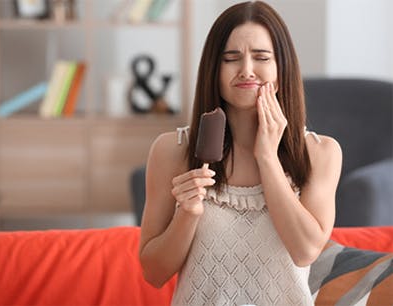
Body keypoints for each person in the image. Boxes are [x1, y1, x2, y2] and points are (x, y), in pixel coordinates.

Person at [139, 1, 342, 305]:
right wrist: (188, 213)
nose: (247, 70)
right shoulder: (172, 150)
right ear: (214, 69)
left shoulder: (321, 152)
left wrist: (267, 157)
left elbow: (305, 251)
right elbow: (153, 273)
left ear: (281, 67)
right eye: (231, 58)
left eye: (261, 57)